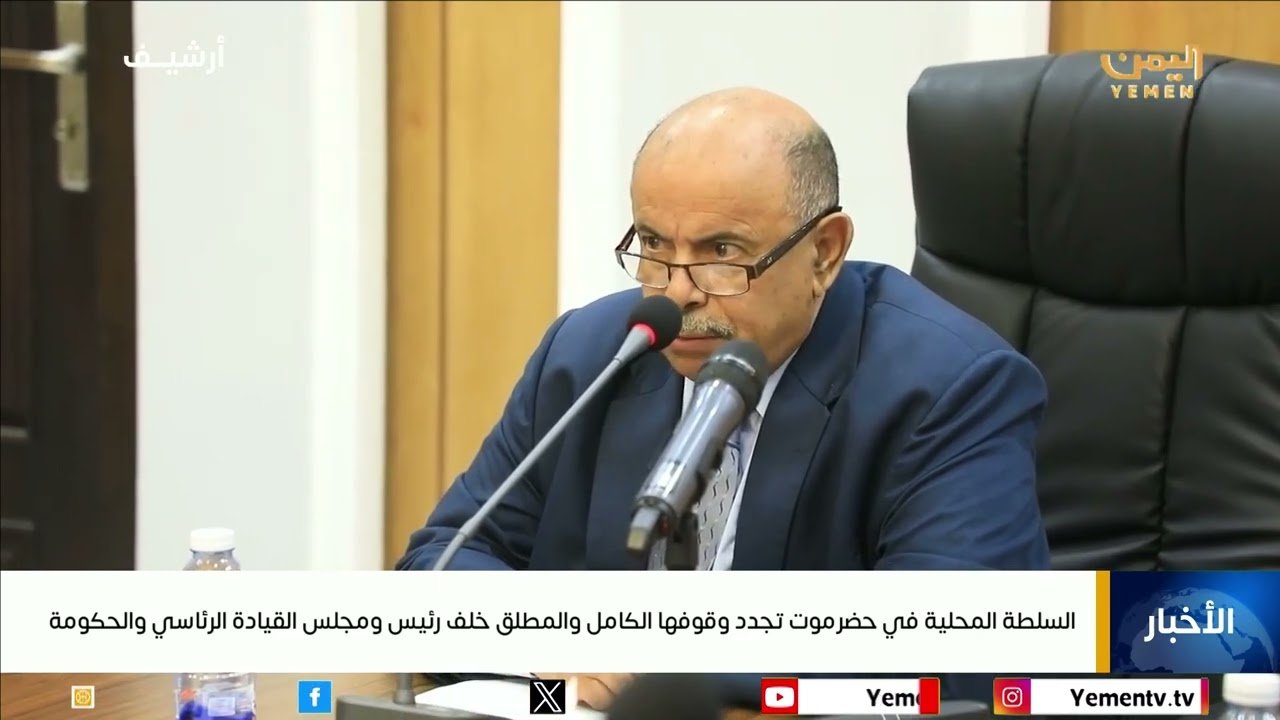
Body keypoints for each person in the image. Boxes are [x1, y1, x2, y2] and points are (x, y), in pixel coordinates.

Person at [397, 87, 1051, 710]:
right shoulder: (592, 353)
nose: (676, 293)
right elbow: (441, 561)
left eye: (721, 252)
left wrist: (665, 662)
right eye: (654, 245)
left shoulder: (948, 387)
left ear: (824, 253)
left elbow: (958, 647)